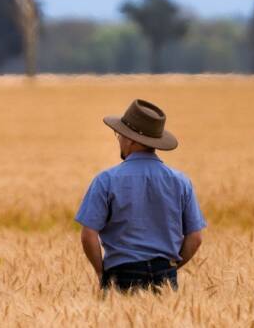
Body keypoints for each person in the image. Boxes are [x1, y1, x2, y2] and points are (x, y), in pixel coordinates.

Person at [76, 99, 206, 292]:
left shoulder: (106, 180)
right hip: (165, 275)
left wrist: (101, 273)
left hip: (121, 274)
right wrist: (170, 270)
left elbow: (88, 235)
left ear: (132, 139)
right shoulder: (181, 181)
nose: (118, 139)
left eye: (119, 134)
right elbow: (195, 237)